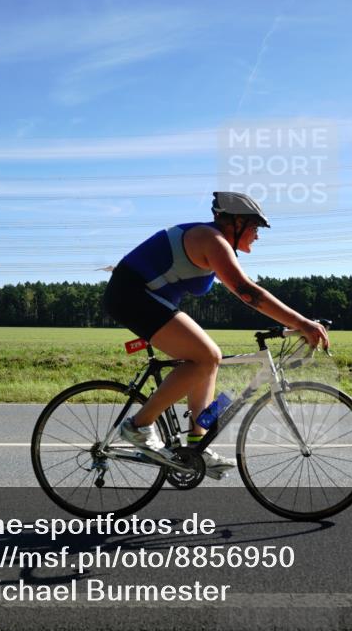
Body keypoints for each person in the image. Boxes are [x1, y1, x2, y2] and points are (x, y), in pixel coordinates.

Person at [102, 191, 330, 478]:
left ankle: (197, 445)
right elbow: (248, 292)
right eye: (254, 228)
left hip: (144, 297)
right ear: (235, 223)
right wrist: (303, 323)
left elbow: (246, 290)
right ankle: (137, 426)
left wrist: (294, 324)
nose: (257, 236)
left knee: (207, 360)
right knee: (207, 356)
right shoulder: (211, 240)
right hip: (131, 295)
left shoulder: (217, 244)